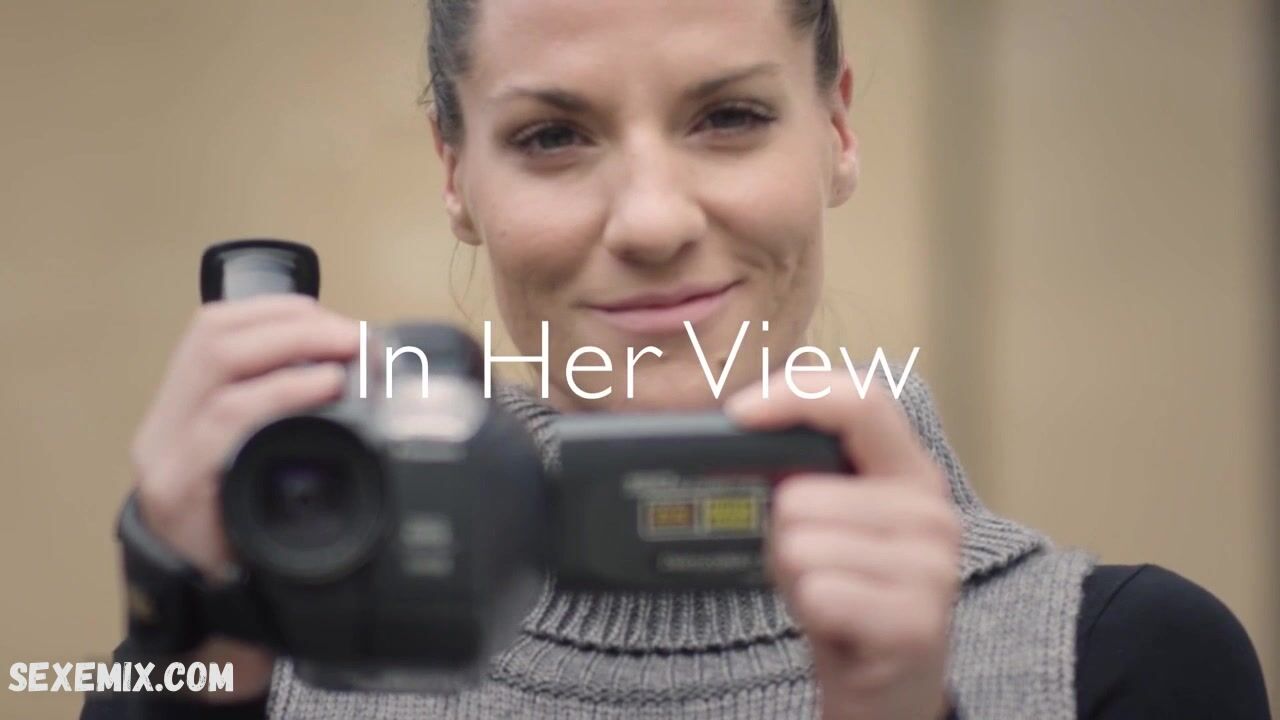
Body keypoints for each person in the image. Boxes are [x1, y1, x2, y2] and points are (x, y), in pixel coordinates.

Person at [82, 1, 1271, 718]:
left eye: (728, 116)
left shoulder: (1118, 659)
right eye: (553, 135)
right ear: (454, 171)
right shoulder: (272, 648)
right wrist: (188, 639)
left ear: (836, 127)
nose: (651, 221)